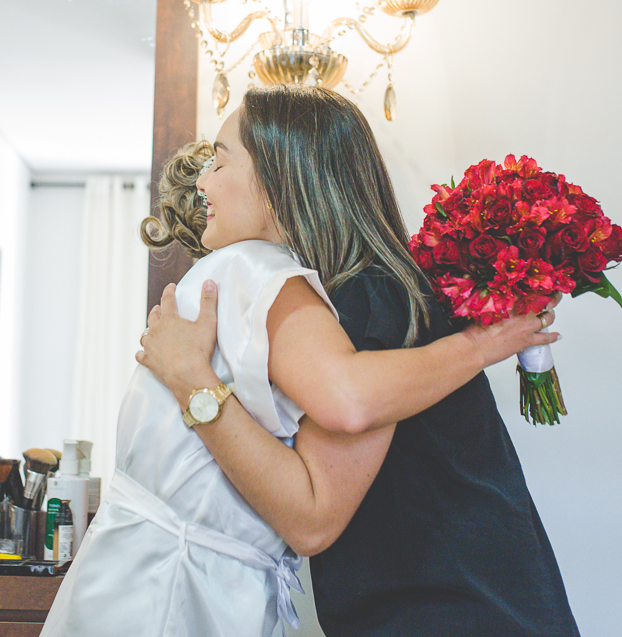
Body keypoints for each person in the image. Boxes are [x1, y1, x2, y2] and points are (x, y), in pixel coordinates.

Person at [39, 138, 551, 637]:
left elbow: (341, 419)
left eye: (219, 163)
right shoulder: (256, 275)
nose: (202, 181)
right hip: (179, 589)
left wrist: (190, 379)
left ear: (279, 179)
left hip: (448, 607)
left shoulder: (313, 284)